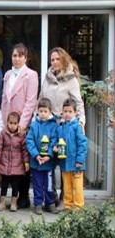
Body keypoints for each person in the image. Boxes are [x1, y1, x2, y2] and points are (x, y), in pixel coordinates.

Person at [39, 47, 86, 210]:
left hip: (66, 125)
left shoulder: (71, 78)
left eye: (58, 59)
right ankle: (50, 198)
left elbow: (78, 103)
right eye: (52, 60)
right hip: (50, 124)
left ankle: (65, 199)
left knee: (65, 163)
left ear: (64, 60)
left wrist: (81, 123)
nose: (55, 62)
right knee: (50, 160)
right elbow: (41, 99)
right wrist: (35, 119)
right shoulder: (47, 77)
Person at [1, 43, 38, 209]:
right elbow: (4, 100)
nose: (17, 59)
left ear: (25, 57)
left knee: (22, 160)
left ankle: (23, 196)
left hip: (21, 123)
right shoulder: (8, 74)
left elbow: (31, 101)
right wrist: (3, 123)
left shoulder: (31, 75)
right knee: (9, 157)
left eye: (20, 56)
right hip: (8, 123)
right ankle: (7, 196)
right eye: (14, 55)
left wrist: (23, 124)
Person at [26, 98, 59, 215]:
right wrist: (36, 155)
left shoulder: (54, 126)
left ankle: (50, 203)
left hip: (48, 163)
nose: (43, 114)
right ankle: (38, 203)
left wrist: (49, 155)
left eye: (45, 111)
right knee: (37, 184)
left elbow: (55, 141)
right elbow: (29, 141)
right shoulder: (34, 125)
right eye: (41, 111)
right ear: (38, 112)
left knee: (49, 184)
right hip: (36, 162)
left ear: (50, 112)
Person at [0, 112, 30, 212]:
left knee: (15, 184)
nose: (12, 126)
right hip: (5, 163)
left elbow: (24, 150)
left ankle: (14, 203)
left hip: (17, 165)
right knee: (4, 183)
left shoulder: (21, 135)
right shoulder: (3, 134)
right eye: (10, 123)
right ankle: (2, 202)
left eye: (15, 123)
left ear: (18, 124)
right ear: (7, 123)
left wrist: (26, 162)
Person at [56, 98, 88, 210]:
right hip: (65, 163)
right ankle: (68, 205)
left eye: (70, 112)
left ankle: (78, 207)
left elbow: (82, 144)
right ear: (62, 112)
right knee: (67, 187)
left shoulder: (77, 126)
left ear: (75, 113)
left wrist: (80, 160)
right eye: (65, 111)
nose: (67, 114)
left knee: (77, 187)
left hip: (76, 164)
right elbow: (58, 141)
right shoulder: (61, 127)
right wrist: (56, 147)